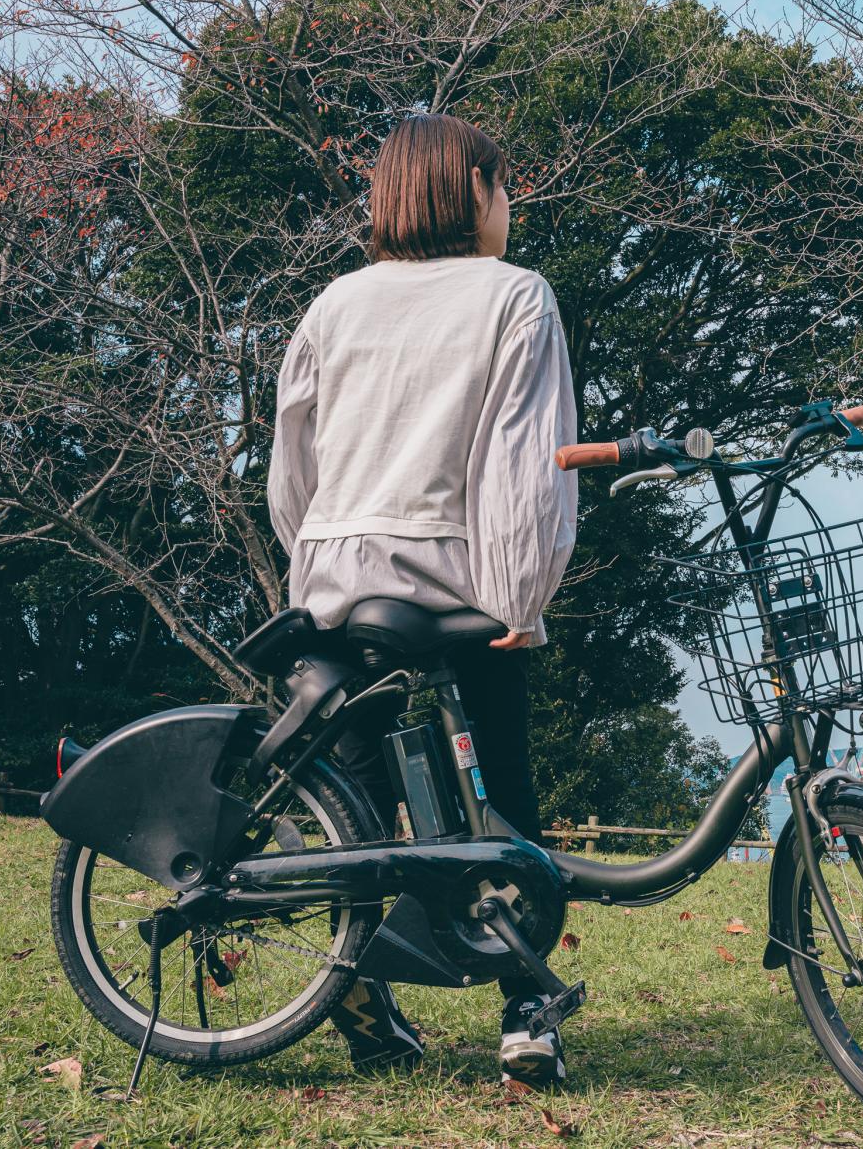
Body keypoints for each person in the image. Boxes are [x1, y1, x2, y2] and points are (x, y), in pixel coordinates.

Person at [265, 113, 579, 1085]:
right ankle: (525, 1009)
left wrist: (311, 560)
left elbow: (293, 465)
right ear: (474, 188)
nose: (510, 205)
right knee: (503, 795)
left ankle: (354, 987)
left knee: (351, 797)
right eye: (505, 186)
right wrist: (521, 596)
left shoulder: (335, 305)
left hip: (336, 575)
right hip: (451, 581)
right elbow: (523, 471)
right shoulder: (514, 296)